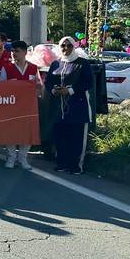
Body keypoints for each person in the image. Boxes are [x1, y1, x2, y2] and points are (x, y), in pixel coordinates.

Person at [44, 36, 93, 175]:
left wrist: (70, 90)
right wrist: (54, 90)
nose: (66, 48)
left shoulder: (82, 64)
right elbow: (48, 82)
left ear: (74, 47)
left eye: (69, 45)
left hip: (78, 108)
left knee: (76, 138)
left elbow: (88, 83)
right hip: (59, 109)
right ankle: (62, 163)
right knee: (60, 137)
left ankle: (76, 165)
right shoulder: (56, 64)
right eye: (63, 46)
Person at [2, 40, 41, 170]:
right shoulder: (6, 67)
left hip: (28, 106)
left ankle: (23, 158)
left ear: (25, 52)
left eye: (17, 51)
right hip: (11, 106)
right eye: (12, 51)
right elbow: (0, 88)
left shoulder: (33, 68)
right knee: (11, 132)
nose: (14, 54)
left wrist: (39, 87)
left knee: (27, 132)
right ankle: (11, 157)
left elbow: (39, 87)